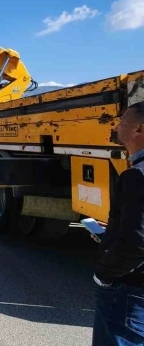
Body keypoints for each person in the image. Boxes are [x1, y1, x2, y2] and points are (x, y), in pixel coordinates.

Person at [92, 101, 144, 345]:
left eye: (123, 120)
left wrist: (105, 274)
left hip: (131, 290)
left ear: (139, 129)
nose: (117, 125)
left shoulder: (136, 175)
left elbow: (138, 243)